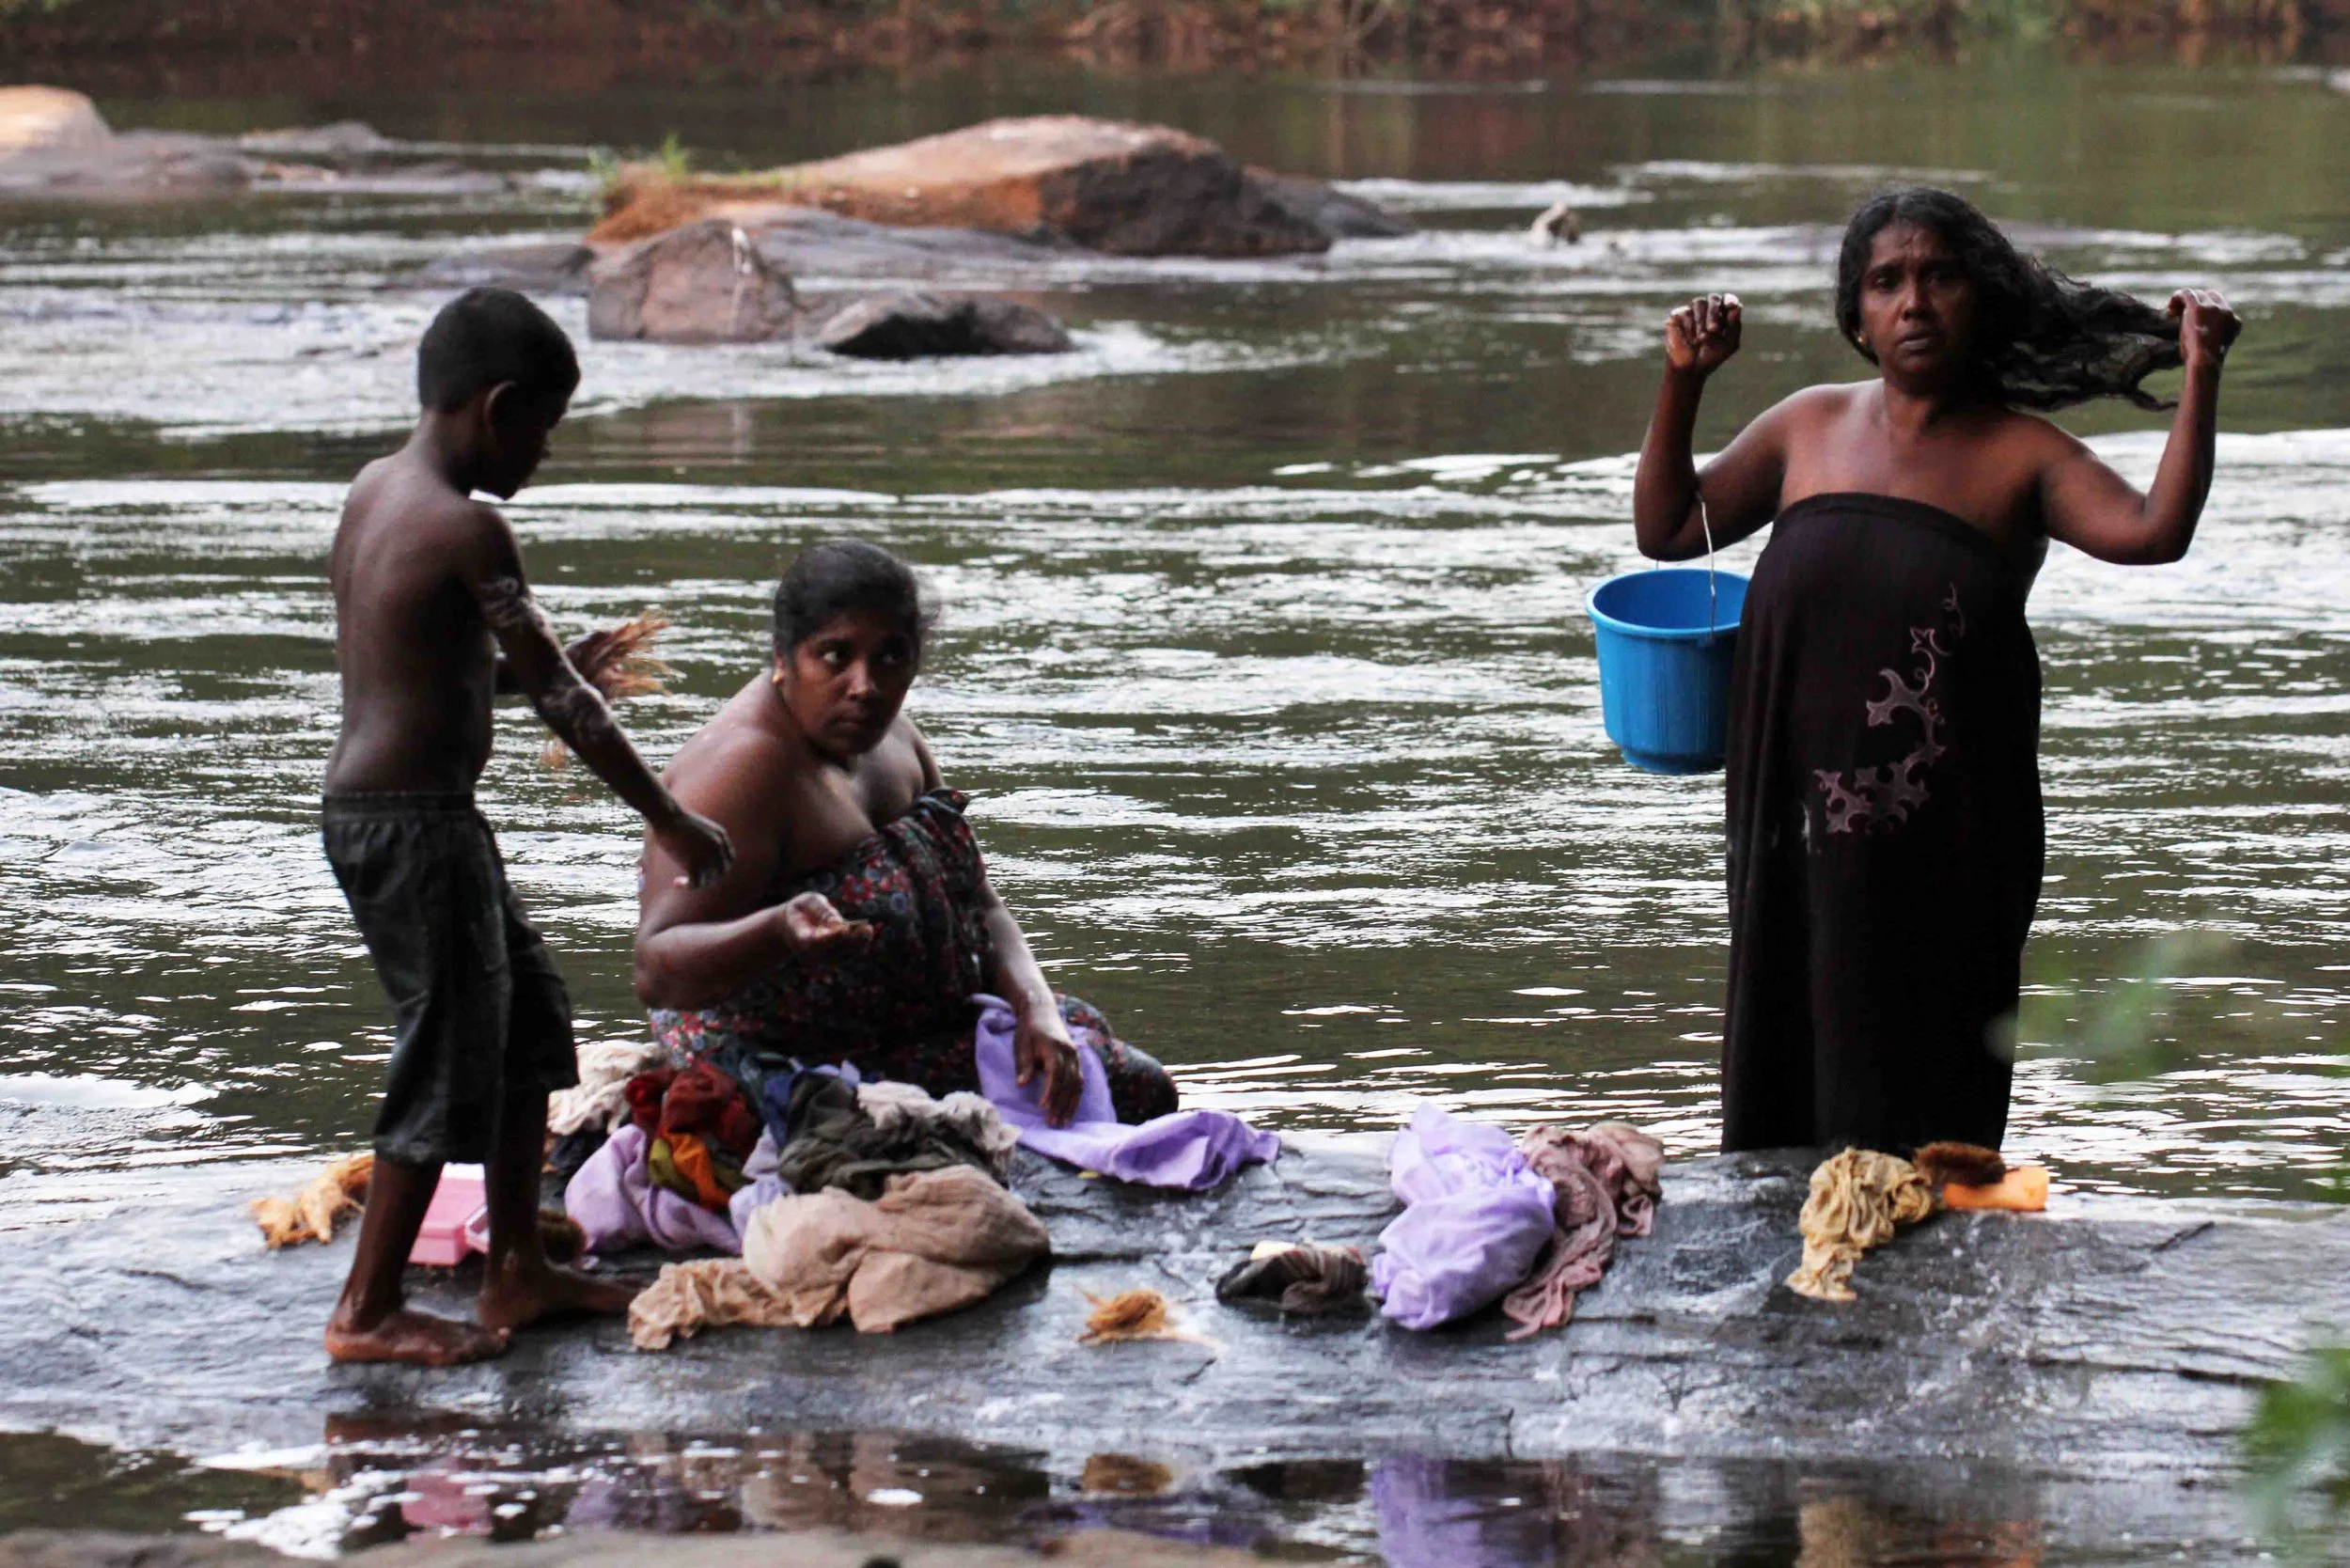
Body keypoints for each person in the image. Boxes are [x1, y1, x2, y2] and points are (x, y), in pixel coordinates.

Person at [1630, 186, 2240, 1155]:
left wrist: (2199, 377)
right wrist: (1683, 383)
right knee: (1788, 1046)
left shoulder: (2022, 456)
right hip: (1792, 827)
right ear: (1857, 319)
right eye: (1886, 282)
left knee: (1922, 1070)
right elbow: (1666, 528)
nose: (1913, 301)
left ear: (1979, 299)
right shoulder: (1805, 427)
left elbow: (2152, 532)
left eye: (1939, 276)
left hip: (1947, 838)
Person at [321, 287, 736, 1365]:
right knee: (443, 1052)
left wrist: (534, 675)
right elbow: (570, 707)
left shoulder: (377, 491)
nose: (546, 452)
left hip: (398, 818)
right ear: (497, 410)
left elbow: (422, 670)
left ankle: (515, 1271)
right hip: (414, 827)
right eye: (545, 428)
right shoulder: (472, 523)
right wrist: (676, 821)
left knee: (531, 1022)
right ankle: (363, 1313)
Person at [633, 540, 1179, 1128]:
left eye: (890, 658)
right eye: (836, 657)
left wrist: (1035, 1007)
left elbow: (981, 901)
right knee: (1126, 1092)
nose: (865, 686)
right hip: (788, 1057)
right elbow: (657, 969)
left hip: (915, 1025)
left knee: (1098, 1061)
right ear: (784, 658)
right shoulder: (744, 770)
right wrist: (778, 928)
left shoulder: (895, 739)